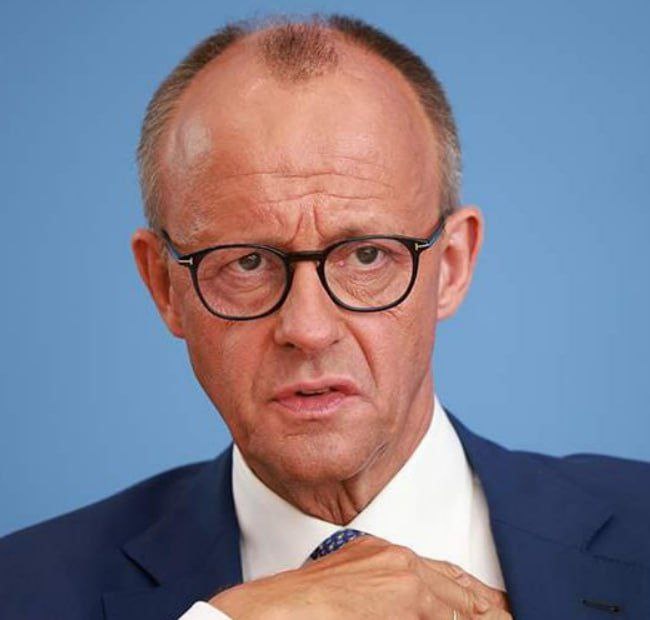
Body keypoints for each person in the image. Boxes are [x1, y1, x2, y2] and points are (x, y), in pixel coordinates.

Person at [1, 13, 648, 620]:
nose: (308, 330)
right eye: (247, 262)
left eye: (366, 255)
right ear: (164, 286)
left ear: (451, 266)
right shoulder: (21, 590)